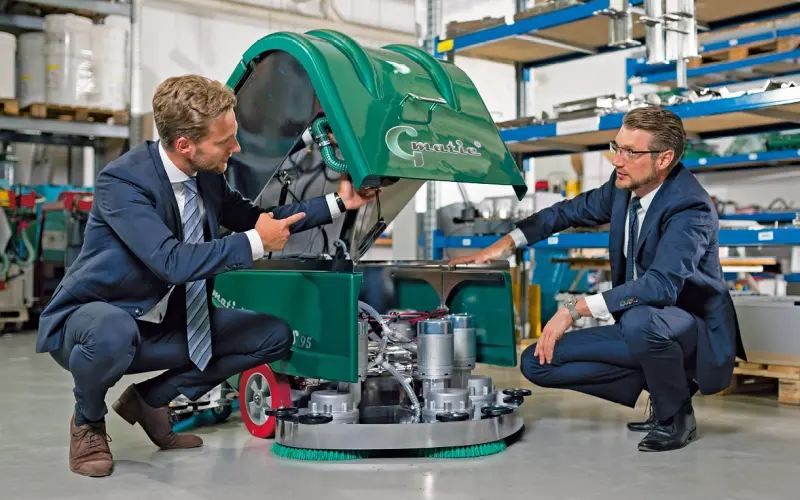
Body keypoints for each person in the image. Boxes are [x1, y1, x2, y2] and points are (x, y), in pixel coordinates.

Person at [35, 74, 376, 477]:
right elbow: (171, 262)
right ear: (185, 145)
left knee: (273, 336)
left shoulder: (207, 177)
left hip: (162, 325)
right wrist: (255, 242)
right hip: (92, 324)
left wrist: (339, 202)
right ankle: (87, 421)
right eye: (225, 140)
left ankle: (150, 401)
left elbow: (259, 219)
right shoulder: (123, 182)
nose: (237, 147)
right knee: (113, 331)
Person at [449, 106, 745, 452]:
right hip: (641, 323)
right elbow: (564, 212)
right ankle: (663, 385)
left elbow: (661, 286)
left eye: (630, 152)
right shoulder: (623, 188)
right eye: (616, 147)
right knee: (536, 362)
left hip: (691, 327)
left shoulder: (689, 208)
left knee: (640, 320)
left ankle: (676, 416)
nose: (617, 160)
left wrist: (574, 309)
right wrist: (501, 246)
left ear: (664, 158)